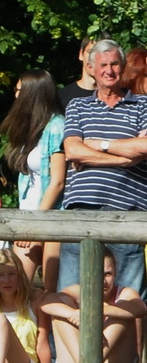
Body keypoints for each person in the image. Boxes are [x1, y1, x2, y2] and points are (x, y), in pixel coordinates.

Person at [58, 40, 147, 293]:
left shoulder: (143, 104)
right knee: (72, 294)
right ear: (91, 68)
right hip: (81, 210)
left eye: (114, 64)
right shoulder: (78, 105)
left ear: (123, 66)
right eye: (103, 65)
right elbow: (73, 149)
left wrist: (99, 144)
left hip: (128, 211)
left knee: (128, 300)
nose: (109, 70)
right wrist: (123, 158)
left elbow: (145, 147)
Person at [41, 249, 147, 363]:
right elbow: (46, 303)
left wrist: (97, 311)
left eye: (108, 274)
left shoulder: (125, 293)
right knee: (61, 313)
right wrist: (73, 313)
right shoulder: (76, 291)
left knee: (123, 314)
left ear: (115, 273)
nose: (102, 281)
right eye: (97, 273)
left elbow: (140, 308)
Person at [0, 69, 66, 287]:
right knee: (18, 290)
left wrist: (35, 224)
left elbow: (57, 182)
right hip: (28, 215)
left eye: (19, 91)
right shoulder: (29, 129)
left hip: (50, 219)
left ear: (32, 94)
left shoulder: (57, 126)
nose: (16, 96)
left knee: (49, 291)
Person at [58, 38, 97, 112]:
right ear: (81, 54)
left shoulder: (119, 99)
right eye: (90, 52)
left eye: (100, 53)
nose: (94, 58)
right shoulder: (61, 98)